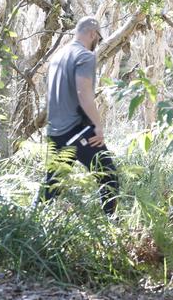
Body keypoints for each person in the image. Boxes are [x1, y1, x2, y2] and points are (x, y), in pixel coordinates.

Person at [43, 16, 119, 216]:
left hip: (54, 132)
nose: (97, 43)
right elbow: (83, 93)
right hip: (78, 131)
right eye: (98, 38)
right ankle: (112, 230)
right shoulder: (85, 56)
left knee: (51, 187)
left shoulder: (58, 56)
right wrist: (98, 125)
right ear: (93, 33)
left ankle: (32, 232)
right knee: (109, 176)